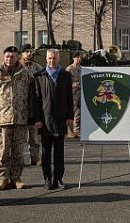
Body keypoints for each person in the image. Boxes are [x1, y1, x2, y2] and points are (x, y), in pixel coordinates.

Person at [0, 46, 35, 191]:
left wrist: (31, 115)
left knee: (18, 151)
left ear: (17, 57)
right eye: (7, 56)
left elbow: (32, 95)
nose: (9, 59)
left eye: (12, 56)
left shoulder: (25, 73)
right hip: (4, 118)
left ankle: (16, 178)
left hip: (21, 119)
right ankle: (2, 178)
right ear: (3, 57)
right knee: (4, 150)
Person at [32, 48, 74, 190]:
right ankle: (47, 179)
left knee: (59, 153)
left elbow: (70, 98)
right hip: (45, 120)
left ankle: (59, 179)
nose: (52, 61)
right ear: (46, 59)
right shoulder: (39, 76)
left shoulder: (66, 75)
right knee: (45, 153)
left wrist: (70, 116)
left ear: (58, 59)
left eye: (54, 58)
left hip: (61, 119)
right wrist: (36, 119)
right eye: (49, 58)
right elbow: (36, 101)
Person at [20, 44, 42, 166]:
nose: (29, 54)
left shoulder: (37, 67)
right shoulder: (17, 67)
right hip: (20, 107)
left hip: (33, 107)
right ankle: (19, 158)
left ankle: (35, 157)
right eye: (26, 51)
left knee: (33, 135)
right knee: (20, 136)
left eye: (30, 51)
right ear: (21, 53)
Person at [65, 51, 82, 139]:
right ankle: (70, 131)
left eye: (80, 57)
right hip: (72, 93)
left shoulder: (81, 69)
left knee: (78, 112)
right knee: (72, 112)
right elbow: (66, 83)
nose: (79, 59)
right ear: (73, 58)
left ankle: (77, 130)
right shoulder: (69, 69)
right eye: (77, 57)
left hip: (80, 93)